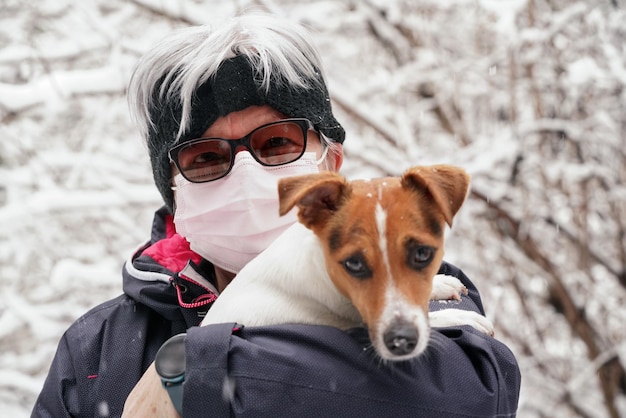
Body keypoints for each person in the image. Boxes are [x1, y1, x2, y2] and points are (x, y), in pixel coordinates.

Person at [32, 13, 521, 418]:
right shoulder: (98, 352)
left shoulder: (411, 265)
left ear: (330, 163)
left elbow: (467, 395)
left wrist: (197, 370)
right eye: (206, 156)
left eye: (277, 142)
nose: (245, 174)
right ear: (173, 190)